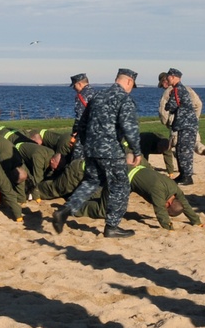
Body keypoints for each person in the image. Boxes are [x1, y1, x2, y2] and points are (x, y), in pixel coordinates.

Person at [53, 68, 142, 238]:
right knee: (120, 186)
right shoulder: (124, 99)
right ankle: (112, 226)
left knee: (91, 181)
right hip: (112, 150)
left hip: (91, 149)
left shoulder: (98, 96)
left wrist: (87, 144)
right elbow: (130, 128)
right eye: (132, 85)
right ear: (129, 81)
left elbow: (82, 124)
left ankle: (65, 211)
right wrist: (136, 151)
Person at [77, 157, 203, 230]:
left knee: (105, 195)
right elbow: (160, 212)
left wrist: (196, 221)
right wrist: (168, 226)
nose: (164, 206)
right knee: (104, 210)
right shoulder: (158, 192)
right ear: (169, 202)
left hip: (130, 175)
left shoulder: (175, 189)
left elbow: (185, 204)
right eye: (166, 207)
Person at [157, 72, 205, 172]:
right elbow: (199, 104)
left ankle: (183, 171)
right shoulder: (186, 89)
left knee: (176, 147)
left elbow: (163, 111)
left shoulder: (169, 91)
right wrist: (194, 118)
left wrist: (166, 122)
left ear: (165, 81)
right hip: (191, 122)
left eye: (162, 84)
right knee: (195, 142)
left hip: (177, 124)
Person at [162, 68, 200, 185]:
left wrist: (167, 104)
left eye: (168, 76)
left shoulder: (177, 90)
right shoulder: (179, 89)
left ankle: (187, 177)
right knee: (180, 150)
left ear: (173, 77)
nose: (167, 78)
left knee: (185, 151)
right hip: (184, 124)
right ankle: (183, 175)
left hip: (186, 125)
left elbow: (172, 105)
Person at [69, 73, 96, 160]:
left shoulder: (80, 96)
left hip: (86, 132)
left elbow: (80, 117)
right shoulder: (96, 93)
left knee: (77, 159)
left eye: (74, 86)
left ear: (79, 84)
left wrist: (75, 132)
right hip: (98, 130)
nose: (74, 89)